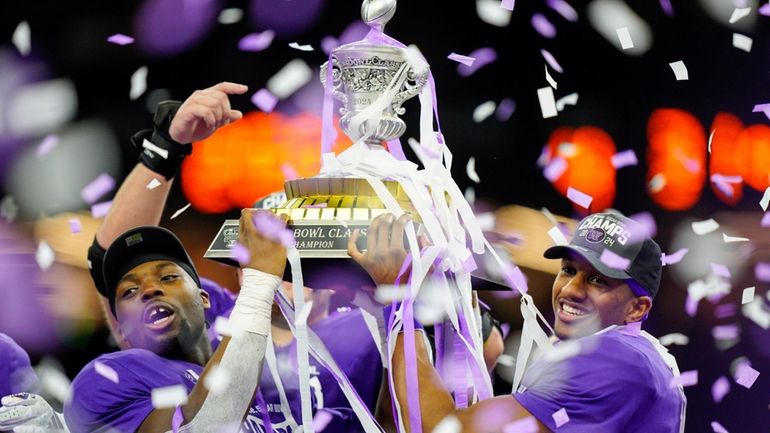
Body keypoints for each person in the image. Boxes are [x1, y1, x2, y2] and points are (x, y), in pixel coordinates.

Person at [349, 211, 687, 433]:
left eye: (598, 281)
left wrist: (399, 296)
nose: (571, 290)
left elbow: (439, 429)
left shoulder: (617, 359)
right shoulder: (629, 355)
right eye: (569, 270)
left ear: (637, 309)